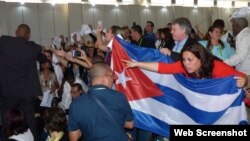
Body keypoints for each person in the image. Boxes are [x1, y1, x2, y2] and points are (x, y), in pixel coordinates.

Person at [125, 43, 247, 88]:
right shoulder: (183, 66)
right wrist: (136, 64)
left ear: (201, 58)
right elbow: (162, 68)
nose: (186, 63)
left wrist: (243, 81)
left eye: (190, 59)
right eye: (183, 59)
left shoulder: (215, 66)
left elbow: (242, 76)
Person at [0, 24, 47, 139]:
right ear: (29, 35)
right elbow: (43, 59)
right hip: (27, 93)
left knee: (7, 121)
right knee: (30, 121)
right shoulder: (33, 48)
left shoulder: (3, 41)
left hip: (7, 92)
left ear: (16, 33)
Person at [68, 63, 134, 141]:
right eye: (111, 76)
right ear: (103, 78)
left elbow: (74, 137)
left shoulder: (76, 105)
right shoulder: (119, 97)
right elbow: (130, 125)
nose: (114, 78)